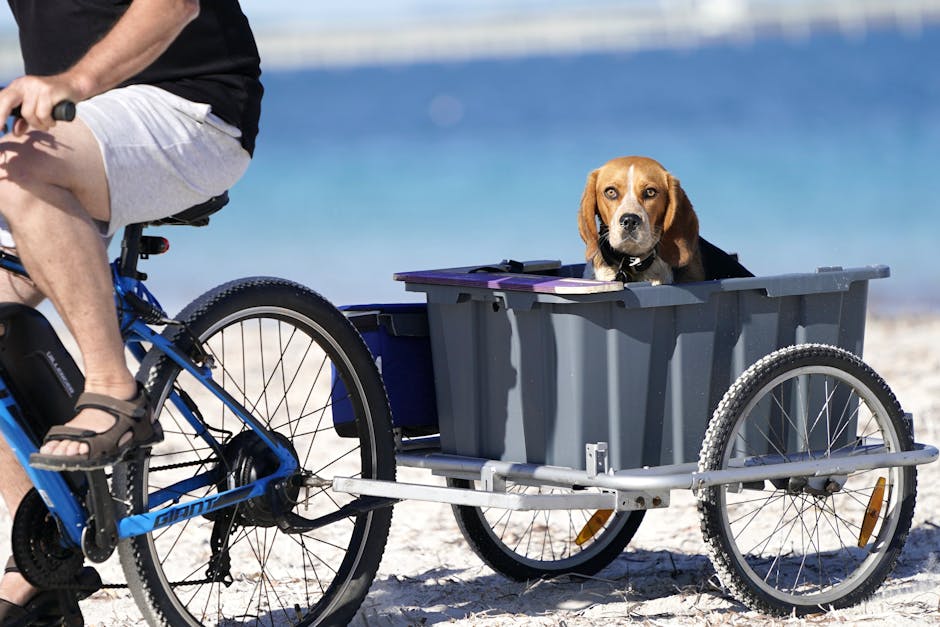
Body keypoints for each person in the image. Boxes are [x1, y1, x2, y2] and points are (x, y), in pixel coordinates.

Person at [0, 0, 262, 622]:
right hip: (68, 127)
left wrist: (75, 81)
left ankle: (113, 388)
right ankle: (41, 552)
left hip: (191, 111)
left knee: (20, 172)